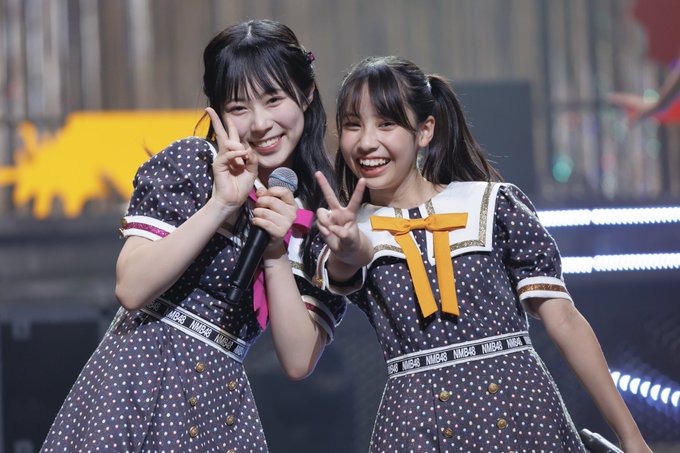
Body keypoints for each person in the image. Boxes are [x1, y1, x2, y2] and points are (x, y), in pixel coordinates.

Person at [308, 56, 651, 452]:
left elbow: (565, 321)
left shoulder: (492, 205)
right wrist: (350, 247)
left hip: (522, 415)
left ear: (425, 130)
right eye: (353, 125)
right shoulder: (342, 228)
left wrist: (632, 438)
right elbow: (344, 266)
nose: (367, 141)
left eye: (386, 123)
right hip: (416, 429)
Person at [40, 19, 345, 452]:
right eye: (239, 107)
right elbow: (131, 289)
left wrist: (275, 250)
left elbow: (298, 361)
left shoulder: (319, 217)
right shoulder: (194, 165)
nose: (261, 123)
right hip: (138, 383)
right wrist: (220, 204)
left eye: (274, 99)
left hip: (219, 403)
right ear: (217, 112)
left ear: (307, 92)